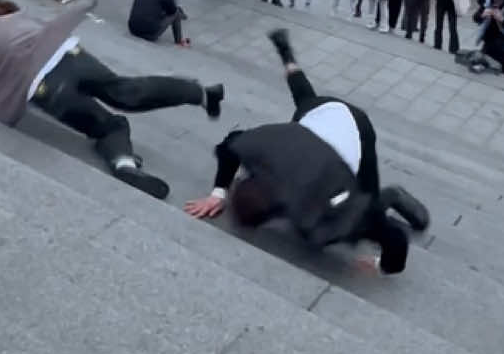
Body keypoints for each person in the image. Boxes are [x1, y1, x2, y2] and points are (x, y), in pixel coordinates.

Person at [184, 28, 430, 274]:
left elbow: (395, 238)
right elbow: (230, 147)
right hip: (316, 114)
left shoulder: (333, 205)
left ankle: (394, 195)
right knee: (304, 98)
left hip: (356, 127)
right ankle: (287, 56)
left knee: (369, 198)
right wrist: (219, 193)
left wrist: (384, 266)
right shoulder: (261, 147)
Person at [0, 0, 224, 199]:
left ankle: (124, 164)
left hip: (45, 89)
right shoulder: (16, 17)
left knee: (109, 124)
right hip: (70, 57)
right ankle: (201, 94)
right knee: (126, 90)